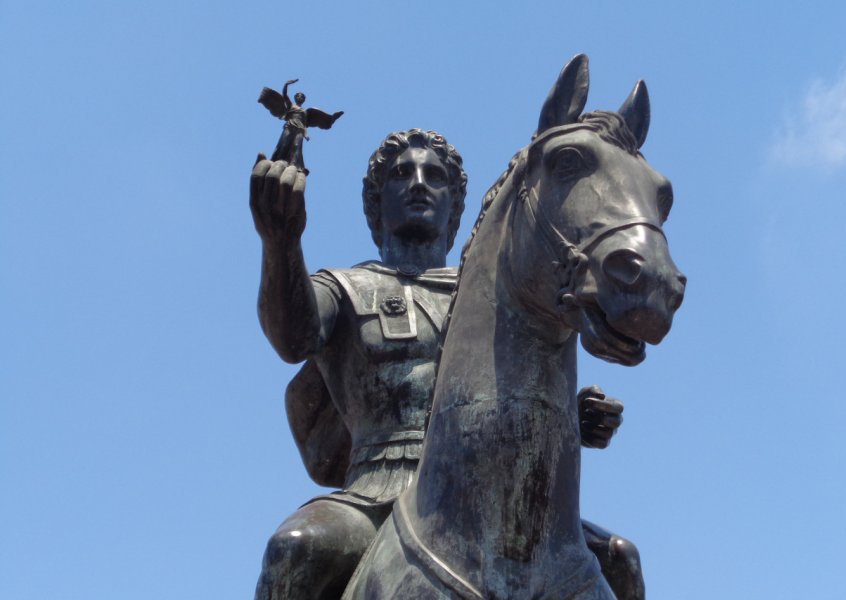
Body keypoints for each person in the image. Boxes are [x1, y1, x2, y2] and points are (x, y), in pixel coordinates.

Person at [249, 129, 642, 600]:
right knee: (293, 551)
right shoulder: (346, 287)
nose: (418, 183)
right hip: (378, 489)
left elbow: (512, 386)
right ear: (378, 204)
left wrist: (568, 419)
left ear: (454, 205)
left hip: (493, 493)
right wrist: (280, 241)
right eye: (401, 175)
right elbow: (294, 339)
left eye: (434, 176)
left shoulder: (494, 296)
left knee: (619, 558)